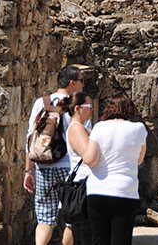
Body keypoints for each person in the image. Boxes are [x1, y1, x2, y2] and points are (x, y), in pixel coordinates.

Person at [24, 65, 84, 245]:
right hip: (70, 168)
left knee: (44, 218)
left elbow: (30, 138)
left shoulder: (41, 103)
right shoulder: (77, 105)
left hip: (44, 167)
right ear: (72, 83)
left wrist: (29, 170)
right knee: (72, 218)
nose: (83, 84)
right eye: (81, 81)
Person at [82, 94, 147, 245]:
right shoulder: (139, 129)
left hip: (98, 190)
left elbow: (90, 159)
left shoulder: (99, 127)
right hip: (125, 190)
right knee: (121, 239)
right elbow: (140, 159)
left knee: (99, 239)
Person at [61, 92, 94, 244]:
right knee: (76, 226)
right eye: (89, 107)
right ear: (78, 108)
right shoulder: (76, 128)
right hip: (81, 182)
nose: (92, 110)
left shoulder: (81, 127)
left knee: (74, 227)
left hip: (83, 181)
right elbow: (88, 154)